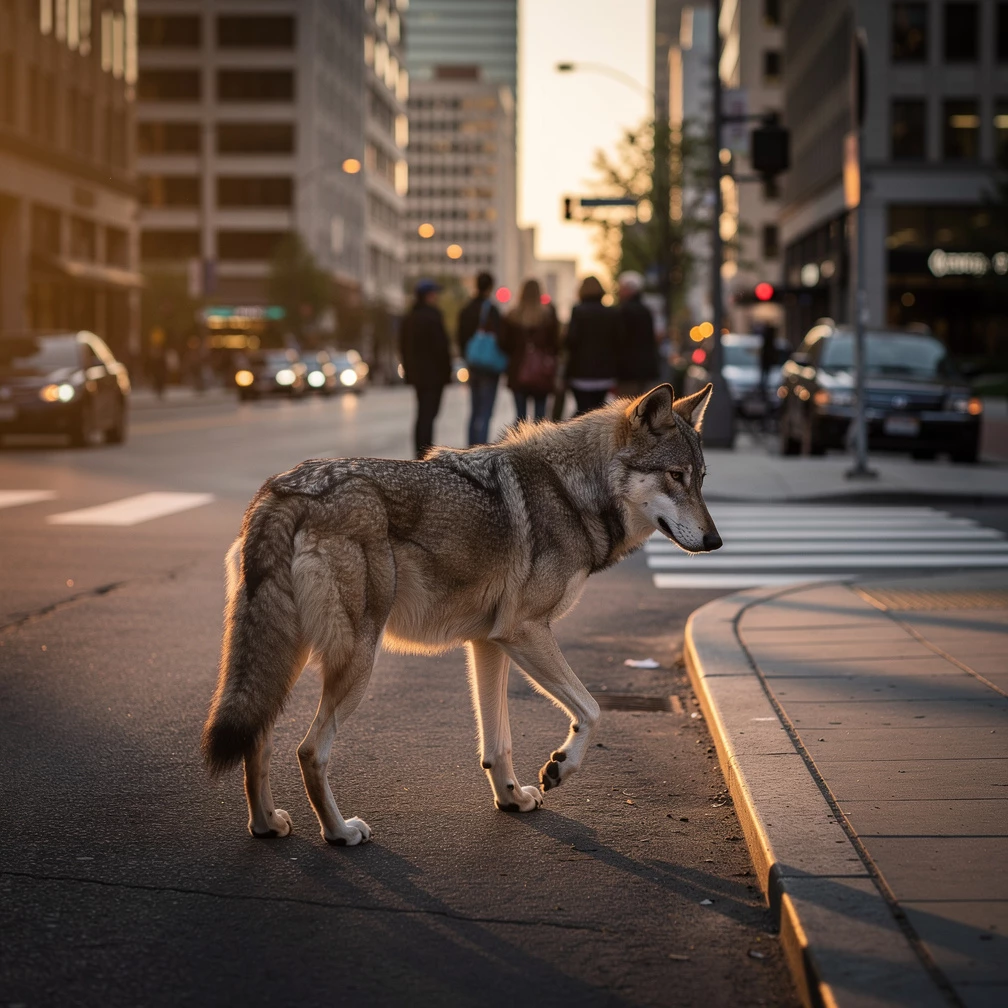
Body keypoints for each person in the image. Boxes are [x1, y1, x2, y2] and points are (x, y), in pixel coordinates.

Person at [400, 280, 451, 458]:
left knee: (422, 413)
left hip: (418, 376)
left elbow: (403, 348)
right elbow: (441, 348)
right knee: (429, 414)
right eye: (434, 294)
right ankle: (426, 452)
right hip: (434, 376)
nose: (436, 297)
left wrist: (409, 372)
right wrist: (447, 372)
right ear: (428, 296)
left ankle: (420, 451)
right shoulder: (433, 316)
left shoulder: (409, 318)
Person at [500, 278, 560, 422]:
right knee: (540, 418)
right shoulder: (548, 317)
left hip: (518, 371)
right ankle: (537, 444)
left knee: (520, 418)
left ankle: (520, 445)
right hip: (542, 373)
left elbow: (503, 343)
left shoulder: (512, 316)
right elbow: (556, 344)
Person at [565, 275, 623, 415]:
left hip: (581, 371)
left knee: (582, 410)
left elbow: (571, 340)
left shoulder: (578, 311)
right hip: (604, 371)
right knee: (598, 411)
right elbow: (619, 340)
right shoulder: (611, 313)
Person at [457, 271, 503, 445]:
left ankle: (470, 448)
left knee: (474, 410)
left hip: (473, 364)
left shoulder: (466, 309)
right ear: (490, 287)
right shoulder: (492, 310)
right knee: (485, 412)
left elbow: (460, 336)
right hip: (489, 367)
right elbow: (501, 337)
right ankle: (480, 450)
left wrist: (467, 356)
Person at [615, 270, 660, 398]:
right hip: (646, 369)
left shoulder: (623, 311)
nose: (619, 292)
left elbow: (620, 339)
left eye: (622, 288)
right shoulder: (646, 310)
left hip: (628, 371)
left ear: (629, 290)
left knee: (627, 407)